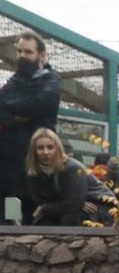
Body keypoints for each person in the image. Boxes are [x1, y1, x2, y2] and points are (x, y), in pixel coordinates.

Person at [0, 32, 61, 219]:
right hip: (9, 164)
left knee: (33, 214)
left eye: (28, 52)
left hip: (36, 162)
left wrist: (10, 109)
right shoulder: (14, 81)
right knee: (10, 216)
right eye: (19, 51)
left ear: (42, 55)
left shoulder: (50, 80)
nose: (22, 56)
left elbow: (40, 103)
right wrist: (13, 116)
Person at [24, 127, 88, 226]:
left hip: (93, 207)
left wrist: (45, 208)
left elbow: (73, 204)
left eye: (50, 147)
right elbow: (39, 201)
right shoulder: (34, 172)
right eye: (40, 148)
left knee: (69, 219)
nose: (46, 152)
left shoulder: (72, 168)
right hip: (59, 209)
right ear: (34, 151)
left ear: (57, 149)